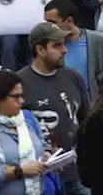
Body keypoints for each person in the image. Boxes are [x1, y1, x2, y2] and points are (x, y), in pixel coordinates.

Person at [18, 22, 87, 195]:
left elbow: (87, 120)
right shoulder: (19, 83)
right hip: (41, 178)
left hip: (77, 173)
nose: (64, 50)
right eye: (57, 45)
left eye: (63, 44)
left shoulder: (74, 77)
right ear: (40, 50)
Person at [43, 0, 103, 105]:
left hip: (91, 108)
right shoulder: (48, 46)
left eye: (52, 22)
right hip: (64, 108)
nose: (48, 28)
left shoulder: (96, 41)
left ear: (69, 21)